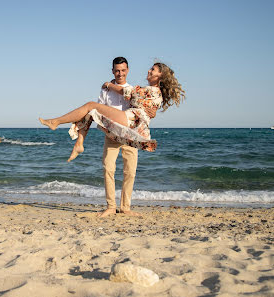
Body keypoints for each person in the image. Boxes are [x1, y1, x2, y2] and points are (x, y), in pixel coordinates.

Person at [39, 61, 185, 217]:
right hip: (115, 132)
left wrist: (109, 85)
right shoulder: (136, 91)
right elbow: (121, 104)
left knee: (130, 172)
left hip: (130, 128)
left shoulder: (144, 90)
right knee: (107, 165)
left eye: (153, 69)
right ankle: (110, 206)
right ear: (113, 71)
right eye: (117, 70)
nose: (149, 70)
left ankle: (125, 208)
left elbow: (128, 93)